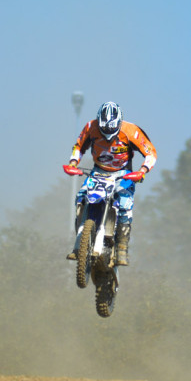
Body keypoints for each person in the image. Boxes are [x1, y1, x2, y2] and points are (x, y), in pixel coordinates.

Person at [63, 101, 157, 266]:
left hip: (123, 174)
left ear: (119, 123)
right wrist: (73, 163)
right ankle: (79, 243)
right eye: (104, 129)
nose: (107, 134)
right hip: (98, 171)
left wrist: (143, 170)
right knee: (81, 196)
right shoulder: (91, 127)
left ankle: (122, 248)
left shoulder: (131, 131)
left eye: (110, 130)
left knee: (125, 205)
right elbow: (78, 146)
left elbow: (150, 152)